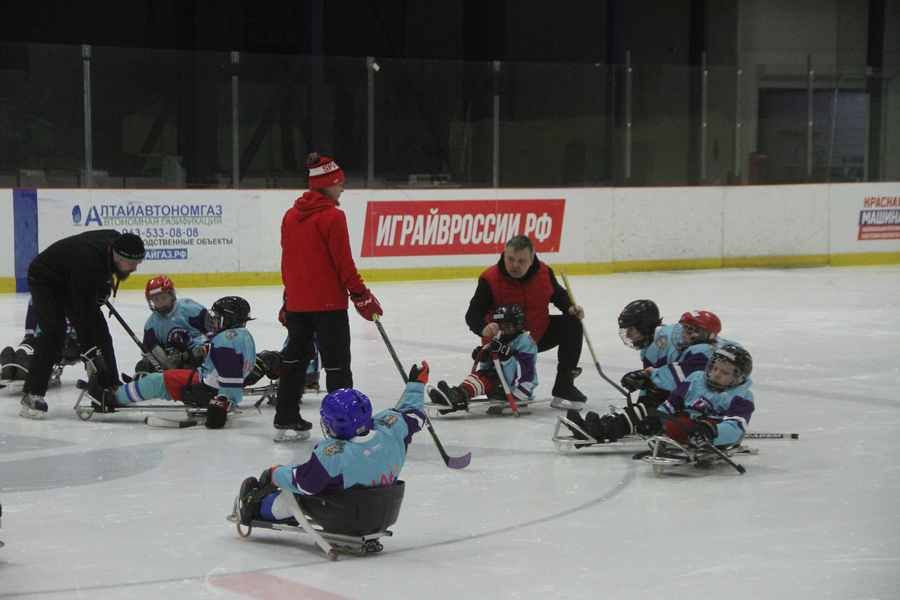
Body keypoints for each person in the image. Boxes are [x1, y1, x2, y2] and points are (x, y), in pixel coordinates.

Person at [235, 361, 429, 525]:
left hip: (347, 517)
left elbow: (304, 483)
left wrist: (275, 474)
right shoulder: (392, 430)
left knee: (294, 494)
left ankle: (258, 508)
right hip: (385, 512)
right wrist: (416, 384)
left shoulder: (335, 454)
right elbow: (414, 413)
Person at [275, 152, 383, 441]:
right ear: (327, 184)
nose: (343, 188)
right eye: (339, 182)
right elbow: (343, 263)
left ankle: (285, 416)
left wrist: (288, 299)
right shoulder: (333, 217)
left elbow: (288, 263)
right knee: (337, 366)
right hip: (328, 307)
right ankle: (345, 422)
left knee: (295, 362)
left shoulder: (291, 215)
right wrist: (362, 295)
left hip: (298, 305)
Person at [20, 230, 145, 419]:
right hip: (45, 278)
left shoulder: (116, 241)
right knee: (55, 332)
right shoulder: (87, 263)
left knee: (101, 332)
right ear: (117, 257)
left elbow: (100, 278)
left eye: (138, 263)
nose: (134, 268)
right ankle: (32, 393)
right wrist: (90, 353)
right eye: (132, 264)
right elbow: (82, 316)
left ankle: (111, 384)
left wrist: (103, 286)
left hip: (72, 275)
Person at [86, 296, 256, 429]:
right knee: (164, 376)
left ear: (229, 318)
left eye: (218, 317)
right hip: (210, 383)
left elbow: (230, 374)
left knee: (157, 381)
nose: (214, 320)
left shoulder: (227, 338)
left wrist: (223, 401)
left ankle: (110, 398)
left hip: (206, 388)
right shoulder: (244, 336)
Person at [465, 235, 585, 409]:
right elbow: (472, 314)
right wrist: (483, 328)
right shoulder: (490, 278)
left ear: (532, 258)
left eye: (521, 261)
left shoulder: (544, 272)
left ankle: (564, 385)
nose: (515, 265)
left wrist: (570, 307)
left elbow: (558, 295)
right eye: (510, 259)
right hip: (506, 344)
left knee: (572, 324)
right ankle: (501, 384)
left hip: (537, 336)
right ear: (504, 254)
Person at [567, 344, 754, 446]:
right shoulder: (696, 378)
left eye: (724, 372)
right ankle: (601, 427)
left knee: (675, 425)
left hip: (703, 429)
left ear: (738, 378)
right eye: (714, 368)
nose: (716, 374)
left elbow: (736, 426)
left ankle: (602, 429)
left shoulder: (741, 396)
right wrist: (656, 417)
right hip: (681, 420)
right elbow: (673, 402)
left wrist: (712, 431)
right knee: (644, 411)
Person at [429, 304, 538, 413]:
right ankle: (457, 394)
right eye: (501, 326)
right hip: (500, 383)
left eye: (508, 326)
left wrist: (519, 396)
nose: (504, 330)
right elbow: (491, 364)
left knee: (488, 377)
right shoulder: (499, 337)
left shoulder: (525, 342)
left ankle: (455, 397)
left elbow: (526, 372)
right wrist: (484, 356)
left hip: (515, 390)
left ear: (518, 325)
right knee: (483, 375)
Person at [135, 275, 210, 375]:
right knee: (143, 366)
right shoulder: (151, 326)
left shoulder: (191, 309)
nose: (160, 303)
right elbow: (150, 354)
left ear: (171, 295)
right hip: (175, 364)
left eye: (163, 297)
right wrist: (166, 364)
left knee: (198, 355)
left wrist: (204, 349)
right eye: (156, 299)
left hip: (201, 358)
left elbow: (213, 333)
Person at [1, 297, 80, 382]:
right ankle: (15, 366)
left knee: (31, 350)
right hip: (48, 339)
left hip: (64, 343)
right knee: (22, 350)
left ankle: (24, 366)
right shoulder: (38, 296)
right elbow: (30, 327)